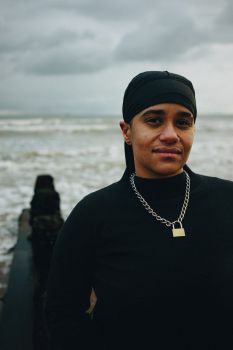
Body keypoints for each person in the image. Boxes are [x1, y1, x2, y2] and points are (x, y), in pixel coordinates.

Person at [45, 71, 233, 350]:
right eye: (154, 120)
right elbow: (63, 316)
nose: (171, 135)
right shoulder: (93, 214)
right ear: (127, 131)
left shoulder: (227, 199)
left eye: (183, 122)